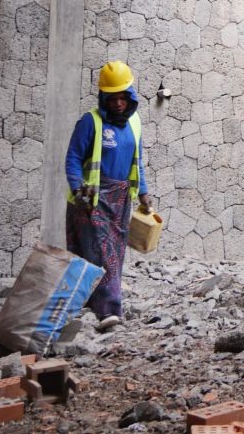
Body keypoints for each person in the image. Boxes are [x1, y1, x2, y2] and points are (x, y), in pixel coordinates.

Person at [65, 61, 153, 331]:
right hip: (91, 199)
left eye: (122, 97)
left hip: (121, 199)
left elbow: (136, 162)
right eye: (111, 98)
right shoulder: (90, 122)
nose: (117, 104)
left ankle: (77, 307)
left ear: (131, 96)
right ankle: (109, 311)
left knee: (112, 252)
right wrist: (78, 187)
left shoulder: (135, 123)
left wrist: (144, 193)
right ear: (103, 97)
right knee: (103, 253)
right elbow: (73, 158)